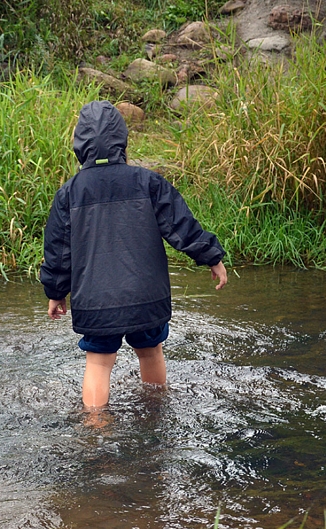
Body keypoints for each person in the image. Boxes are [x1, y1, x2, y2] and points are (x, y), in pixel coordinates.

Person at [41, 100, 227, 409]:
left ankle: (97, 431)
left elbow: (59, 251)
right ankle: (155, 414)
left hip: (96, 300)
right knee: (151, 350)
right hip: (146, 295)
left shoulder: (69, 192)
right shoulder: (149, 182)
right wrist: (212, 257)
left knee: (99, 363)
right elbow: (180, 227)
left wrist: (56, 292)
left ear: (80, 143)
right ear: (121, 140)